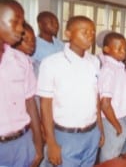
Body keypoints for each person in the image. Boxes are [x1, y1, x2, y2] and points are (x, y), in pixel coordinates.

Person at [37, 16, 104, 166]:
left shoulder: (94, 61)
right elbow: (45, 105)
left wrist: (100, 128)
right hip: (65, 136)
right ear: (68, 34)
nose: (90, 36)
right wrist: (51, 142)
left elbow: (96, 97)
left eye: (92, 32)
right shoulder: (51, 63)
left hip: (91, 133)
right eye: (84, 32)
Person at [0, 0, 43, 167]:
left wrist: (38, 145)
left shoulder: (21, 60)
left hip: (22, 143)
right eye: (15, 22)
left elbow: (30, 102)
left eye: (22, 22)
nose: (21, 29)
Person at [98, 32, 126, 162]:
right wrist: (117, 126)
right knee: (109, 157)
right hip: (112, 120)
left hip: (119, 118)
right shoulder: (109, 70)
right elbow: (105, 104)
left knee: (115, 153)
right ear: (106, 49)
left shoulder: (119, 67)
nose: (124, 51)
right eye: (119, 48)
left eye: (125, 48)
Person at [31, 11, 64, 75]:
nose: (56, 25)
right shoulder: (33, 44)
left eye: (57, 22)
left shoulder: (61, 44)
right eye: (51, 23)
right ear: (40, 25)